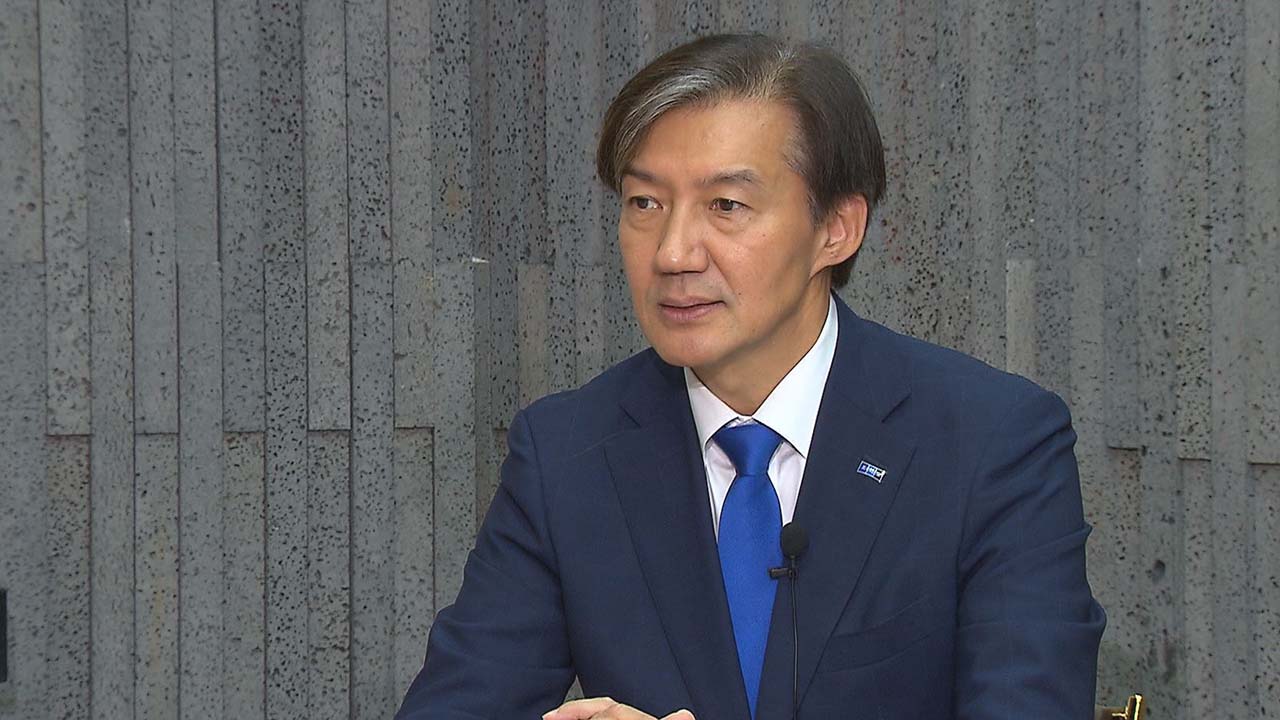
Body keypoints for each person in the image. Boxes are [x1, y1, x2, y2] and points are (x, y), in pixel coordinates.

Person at [396, 33, 1105, 720]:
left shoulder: (992, 444)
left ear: (836, 228)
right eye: (645, 204)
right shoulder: (566, 454)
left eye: (726, 206)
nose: (673, 253)